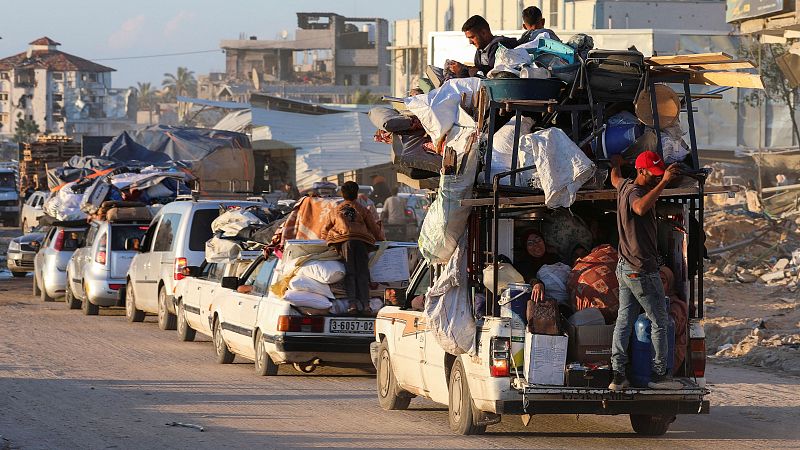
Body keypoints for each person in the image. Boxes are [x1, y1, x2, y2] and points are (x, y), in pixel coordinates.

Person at [608, 151, 682, 391]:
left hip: (625, 267)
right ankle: (660, 376)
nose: (656, 178)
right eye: (653, 174)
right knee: (660, 320)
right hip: (641, 270)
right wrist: (664, 183)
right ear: (641, 171)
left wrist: (616, 164)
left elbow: (614, 178)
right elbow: (640, 208)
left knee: (624, 320)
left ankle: (618, 375)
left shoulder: (624, 185)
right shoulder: (636, 193)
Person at [321, 181, 385, 315]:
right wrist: (382, 242)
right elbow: (374, 229)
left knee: (350, 273)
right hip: (362, 242)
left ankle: (352, 305)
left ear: (342, 194)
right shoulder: (362, 209)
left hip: (345, 242)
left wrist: (327, 243)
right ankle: (366, 305)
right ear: (356, 194)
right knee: (362, 273)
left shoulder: (335, 210)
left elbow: (324, 230)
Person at [447, 15, 518, 77]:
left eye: (472, 37)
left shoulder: (501, 47)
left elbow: (493, 73)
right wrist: (463, 68)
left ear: (484, 33)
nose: (470, 42)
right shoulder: (480, 51)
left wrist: (462, 71)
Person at [515, 230, 559, 303]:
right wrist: (537, 283)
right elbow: (529, 276)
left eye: (538, 240)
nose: (536, 245)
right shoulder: (523, 263)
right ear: (525, 247)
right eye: (530, 243)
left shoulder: (554, 258)